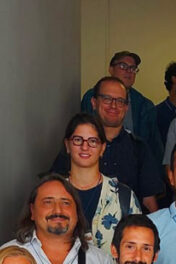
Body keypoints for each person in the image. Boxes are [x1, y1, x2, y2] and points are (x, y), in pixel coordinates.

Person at [53, 77, 163, 213]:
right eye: (107, 99)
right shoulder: (77, 147)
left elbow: (149, 201)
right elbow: (54, 189)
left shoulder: (139, 148)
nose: (113, 105)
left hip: (127, 228)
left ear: (126, 107)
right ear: (94, 102)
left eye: (120, 101)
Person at [58, 112, 141, 253]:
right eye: (78, 140)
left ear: (102, 148)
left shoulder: (122, 196)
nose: (85, 147)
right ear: (67, 145)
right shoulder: (53, 193)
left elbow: (138, 247)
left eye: (93, 141)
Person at [81, 52, 163, 164]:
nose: (128, 71)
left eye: (133, 68)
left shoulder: (145, 105)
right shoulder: (92, 97)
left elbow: (154, 145)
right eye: (123, 66)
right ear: (111, 69)